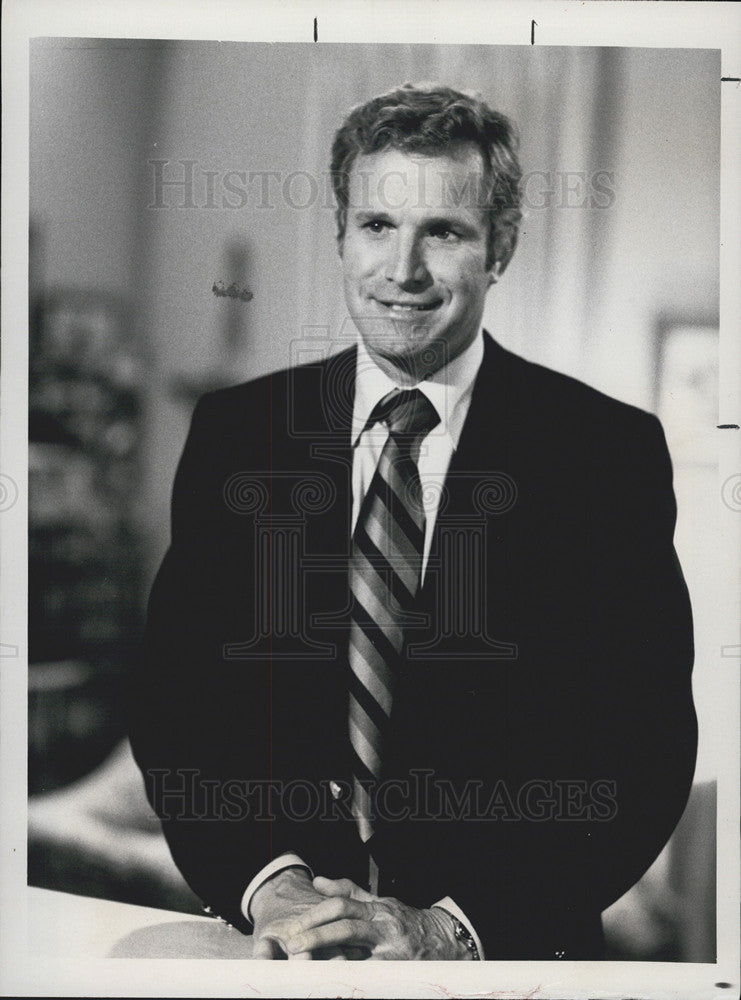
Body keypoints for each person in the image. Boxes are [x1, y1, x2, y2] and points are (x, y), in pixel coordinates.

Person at [129, 83, 697, 961]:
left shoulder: (603, 454)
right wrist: (266, 880)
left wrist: (450, 927)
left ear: (498, 248)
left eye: (443, 231)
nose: (402, 271)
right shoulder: (239, 433)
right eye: (377, 227)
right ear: (341, 236)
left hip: (499, 958)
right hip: (281, 954)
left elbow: (642, 747)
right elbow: (181, 701)